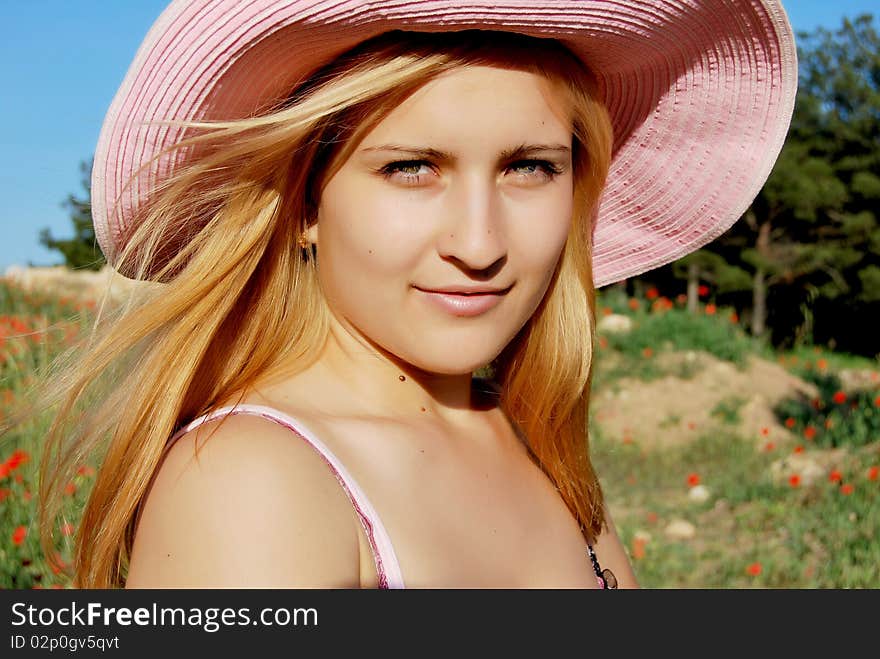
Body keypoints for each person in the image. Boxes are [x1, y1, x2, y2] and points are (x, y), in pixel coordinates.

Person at [35, 0, 796, 589]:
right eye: (412, 168)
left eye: (529, 166)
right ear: (304, 200)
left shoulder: (535, 441)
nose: (479, 243)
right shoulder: (254, 481)